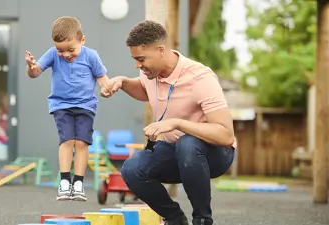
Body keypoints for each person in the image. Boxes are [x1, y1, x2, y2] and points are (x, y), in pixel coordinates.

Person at [101, 20, 236, 225]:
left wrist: (177, 123)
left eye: (141, 59)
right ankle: (175, 219)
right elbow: (145, 90)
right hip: (177, 152)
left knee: (188, 143)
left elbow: (225, 136)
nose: (137, 65)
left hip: (215, 154)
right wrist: (123, 82)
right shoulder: (149, 73)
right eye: (135, 59)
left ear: (161, 50)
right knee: (132, 168)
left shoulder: (200, 78)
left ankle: (202, 219)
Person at [25, 16, 110, 201]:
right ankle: (64, 181)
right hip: (61, 105)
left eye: (71, 49)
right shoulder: (52, 54)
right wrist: (31, 67)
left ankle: (78, 182)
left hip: (86, 106)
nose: (65, 54)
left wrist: (106, 88)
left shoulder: (91, 56)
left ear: (82, 40)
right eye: (60, 50)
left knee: (81, 143)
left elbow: (102, 78)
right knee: (67, 141)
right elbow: (35, 72)